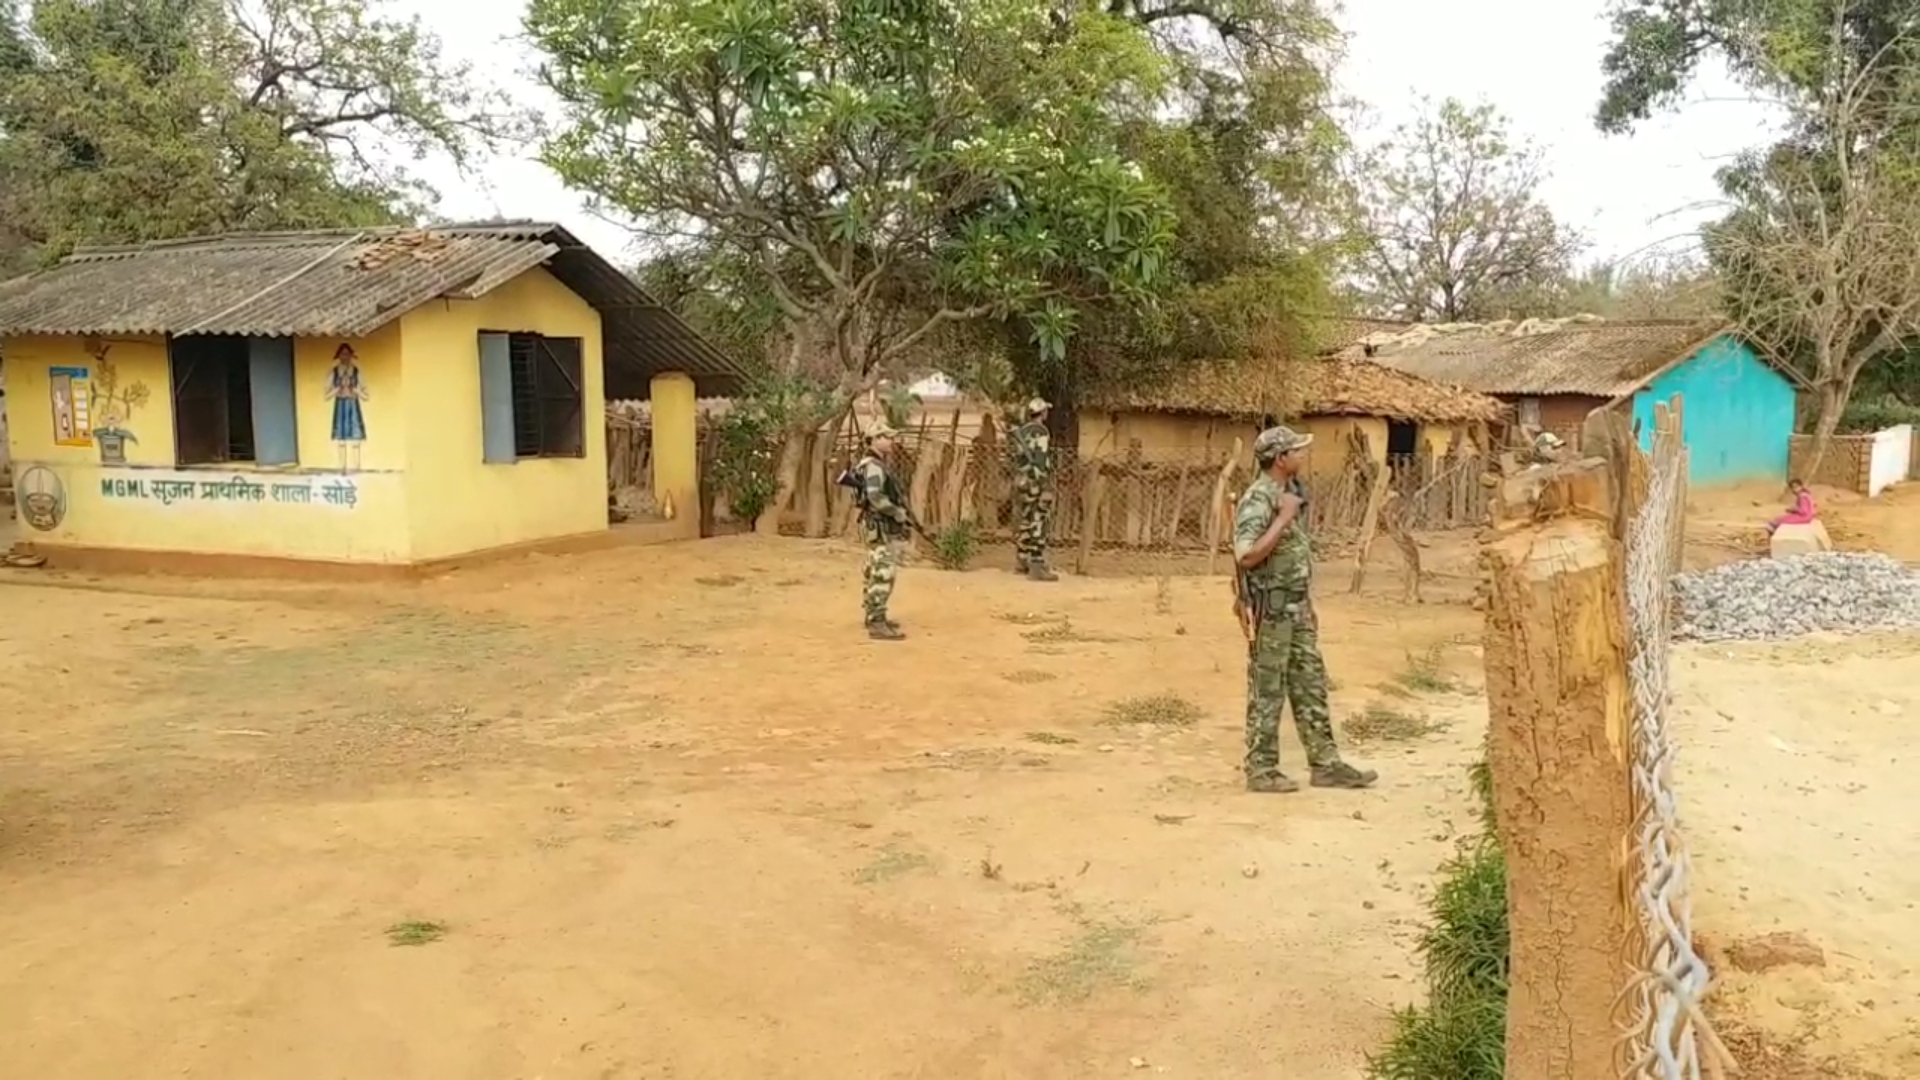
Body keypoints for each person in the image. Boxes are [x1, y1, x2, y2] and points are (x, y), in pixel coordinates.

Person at [1232, 424, 1378, 793]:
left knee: (1310, 683)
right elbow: (1246, 555)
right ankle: (1261, 770)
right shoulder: (1260, 498)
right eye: (1296, 450)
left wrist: (1307, 603)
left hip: (1294, 609)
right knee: (1268, 689)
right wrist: (1282, 519)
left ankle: (1326, 764)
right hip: (1272, 612)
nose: (1303, 455)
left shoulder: (1287, 492)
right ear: (1280, 459)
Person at [852, 423, 912, 640]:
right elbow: (875, 497)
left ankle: (874, 615)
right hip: (879, 526)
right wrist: (896, 511)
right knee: (884, 571)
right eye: (886, 437)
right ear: (874, 439)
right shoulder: (874, 466)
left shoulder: (870, 464)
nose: (891, 441)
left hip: (875, 526)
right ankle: (877, 622)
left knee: (875, 568)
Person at [1008, 397, 1058, 581]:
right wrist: (1045, 485)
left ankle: (1022, 560)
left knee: (1026, 519)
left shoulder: (1022, 432)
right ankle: (1036, 564)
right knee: (1039, 520)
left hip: (1021, 481)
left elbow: (1017, 459)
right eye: (1046, 410)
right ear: (1043, 413)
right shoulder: (1041, 432)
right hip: (1035, 482)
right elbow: (1039, 460)